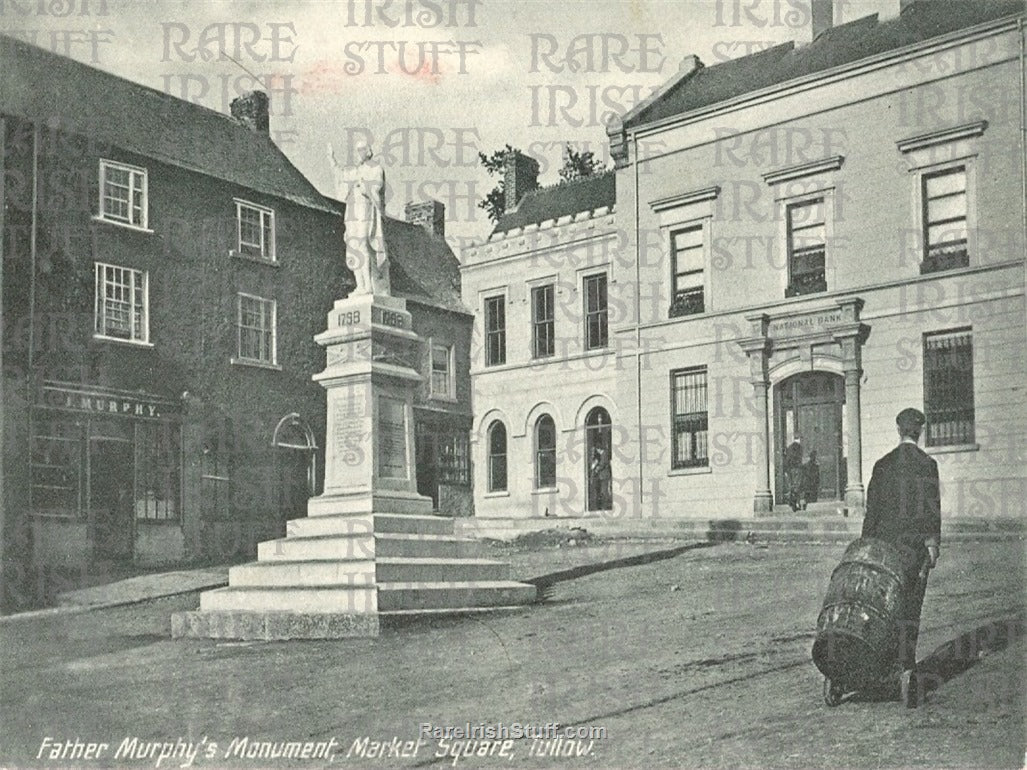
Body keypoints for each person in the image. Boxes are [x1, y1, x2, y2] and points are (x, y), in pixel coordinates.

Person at [862, 407, 941, 707]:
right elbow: (932, 509)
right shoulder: (927, 465)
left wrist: (866, 546)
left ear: (898, 430)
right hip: (913, 551)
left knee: (879, 607)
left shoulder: (882, 465)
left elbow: (872, 513)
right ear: (918, 432)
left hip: (883, 551)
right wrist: (932, 545)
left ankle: (875, 662)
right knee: (909, 609)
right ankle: (905, 667)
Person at [328, 141, 391, 296]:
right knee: (354, 245)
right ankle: (361, 285)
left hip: (366, 209)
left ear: (368, 151)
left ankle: (369, 286)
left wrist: (363, 186)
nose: (359, 153)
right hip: (353, 211)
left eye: (362, 150)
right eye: (357, 150)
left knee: (363, 243)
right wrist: (331, 159)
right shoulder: (357, 170)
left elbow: (377, 187)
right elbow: (341, 175)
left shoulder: (376, 168)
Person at [784, 438, 804, 512]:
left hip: (790, 469)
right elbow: (800, 458)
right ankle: (796, 503)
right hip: (797, 469)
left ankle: (792, 502)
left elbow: (787, 460)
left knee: (791, 486)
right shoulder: (799, 447)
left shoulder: (789, 448)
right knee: (797, 486)